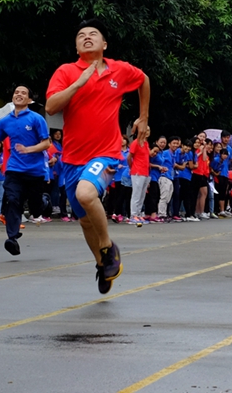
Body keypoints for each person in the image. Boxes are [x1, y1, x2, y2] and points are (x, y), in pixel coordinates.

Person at [45, 18, 149, 294]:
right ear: (76, 45)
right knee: (84, 219)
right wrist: (78, 83)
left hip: (106, 153)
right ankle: (102, 263)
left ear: (104, 44)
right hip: (72, 159)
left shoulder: (120, 70)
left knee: (86, 195)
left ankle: (108, 246)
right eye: (81, 34)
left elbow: (143, 80)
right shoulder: (66, 71)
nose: (87, 37)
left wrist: (143, 116)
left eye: (93, 34)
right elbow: (52, 106)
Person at [0, 86, 50, 255]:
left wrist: (29, 149)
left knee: (36, 210)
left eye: (23, 93)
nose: (19, 94)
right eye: (16, 92)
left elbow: (46, 143)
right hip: (14, 169)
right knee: (13, 200)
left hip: (35, 171)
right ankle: (12, 238)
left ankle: (44, 201)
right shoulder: (5, 121)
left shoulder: (36, 119)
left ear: (29, 100)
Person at [128, 129, 151, 222]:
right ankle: (133, 215)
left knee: (142, 195)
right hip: (137, 171)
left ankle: (138, 213)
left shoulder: (146, 143)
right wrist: (132, 167)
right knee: (136, 194)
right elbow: (129, 157)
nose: (147, 131)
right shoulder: (135, 143)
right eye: (146, 129)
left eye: (149, 130)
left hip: (145, 172)